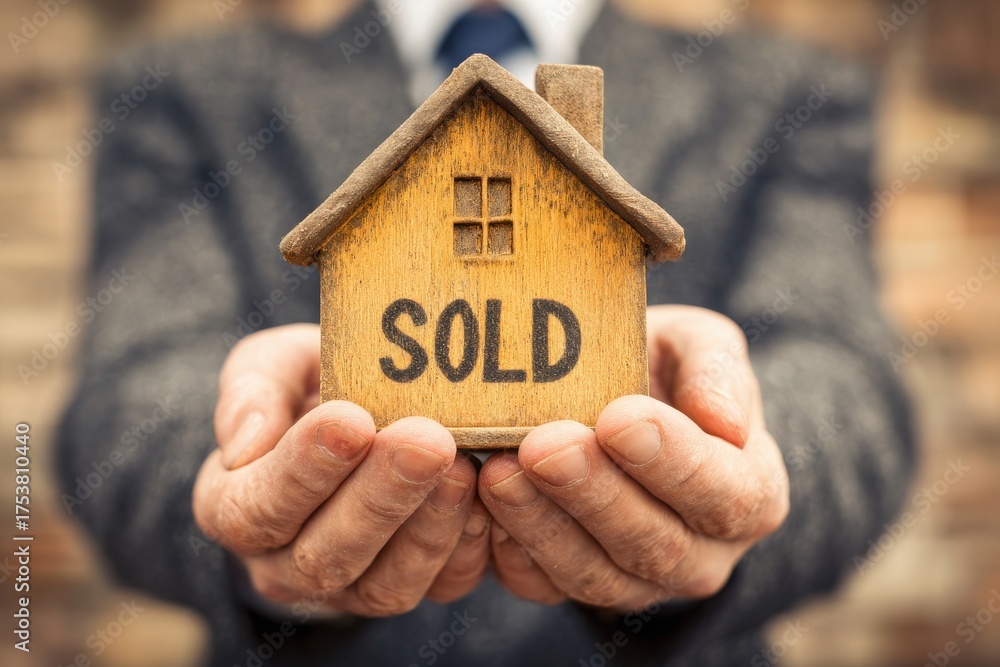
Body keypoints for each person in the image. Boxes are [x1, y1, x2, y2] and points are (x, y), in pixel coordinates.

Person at [57, 1, 915, 665]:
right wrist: (247, 489)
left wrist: (733, 465)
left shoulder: (792, 92)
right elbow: (130, 393)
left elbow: (843, 381)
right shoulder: (183, 90)